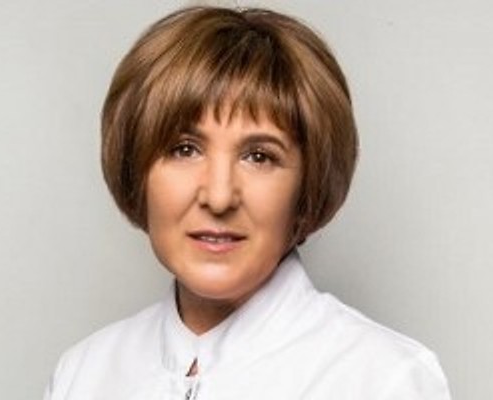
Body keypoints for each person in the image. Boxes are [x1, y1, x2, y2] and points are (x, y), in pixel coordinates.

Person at [44, 6, 451, 399]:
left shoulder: (382, 380)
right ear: (136, 170)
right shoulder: (83, 373)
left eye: (259, 156)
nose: (219, 196)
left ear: (307, 188)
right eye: (185, 149)